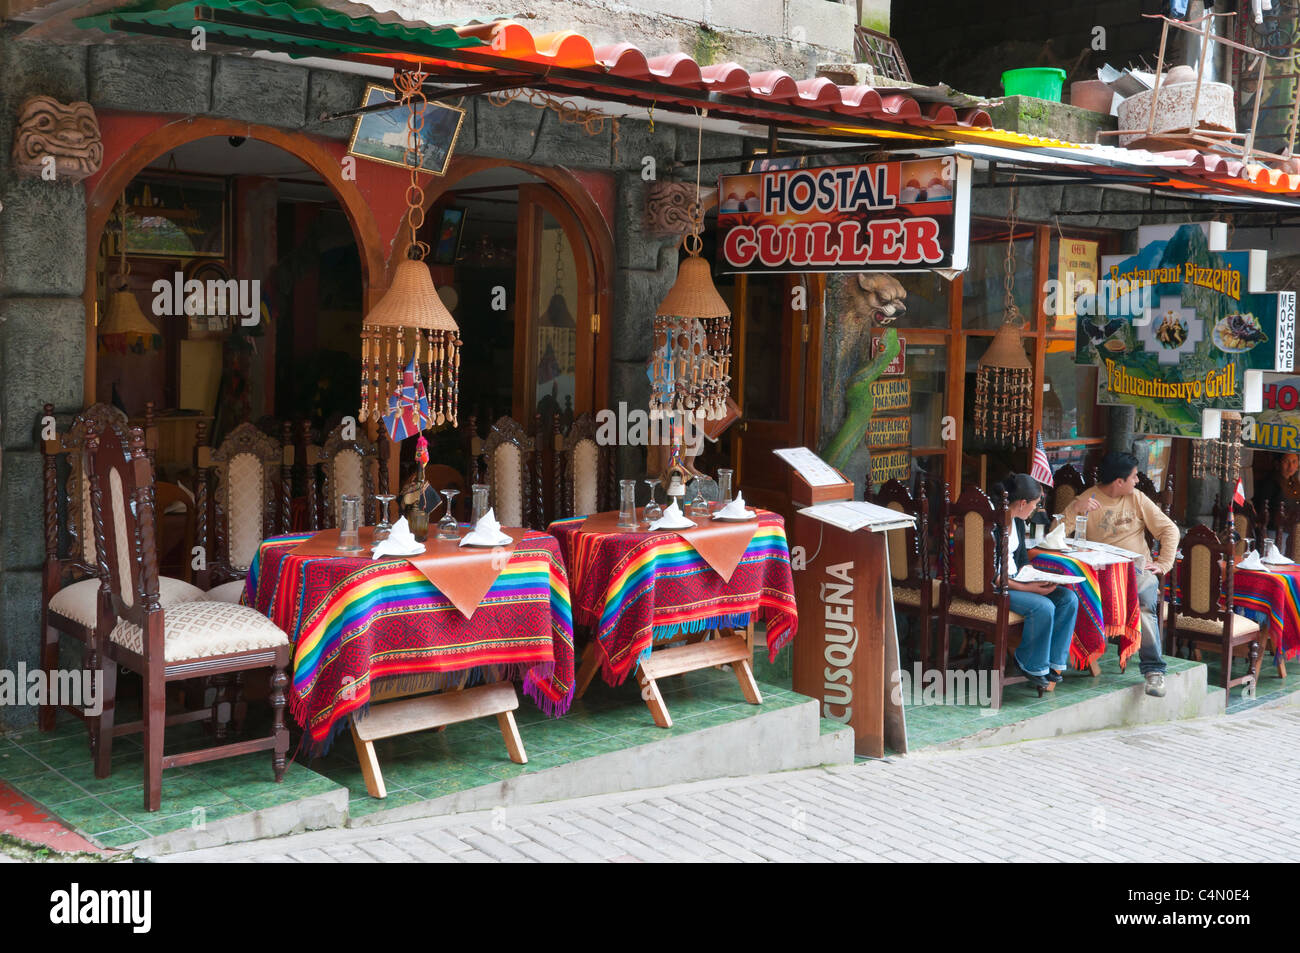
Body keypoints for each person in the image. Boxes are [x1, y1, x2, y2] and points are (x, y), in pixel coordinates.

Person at [1061, 451, 1180, 698]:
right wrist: (1074, 509)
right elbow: (1055, 535)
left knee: (1145, 603)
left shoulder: (1136, 498)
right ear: (1119, 481)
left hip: (1137, 570)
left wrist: (1164, 563)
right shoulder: (1086, 499)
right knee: (1069, 596)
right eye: (1134, 477)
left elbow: (1169, 529)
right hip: (1098, 572)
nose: (1137, 481)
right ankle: (1073, 655)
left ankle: (1154, 670)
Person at [997, 473, 1079, 691]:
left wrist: (1038, 577)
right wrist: (1028, 588)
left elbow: (1022, 559)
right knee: (1043, 606)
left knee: (1068, 598)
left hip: (1018, 581)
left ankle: (1052, 663)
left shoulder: (1017, 521)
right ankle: (1031, 663)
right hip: (999, 587)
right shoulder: (995, 523)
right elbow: (994, 575)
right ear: (1023, 503)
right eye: (1034, 505)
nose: (1034, 509)